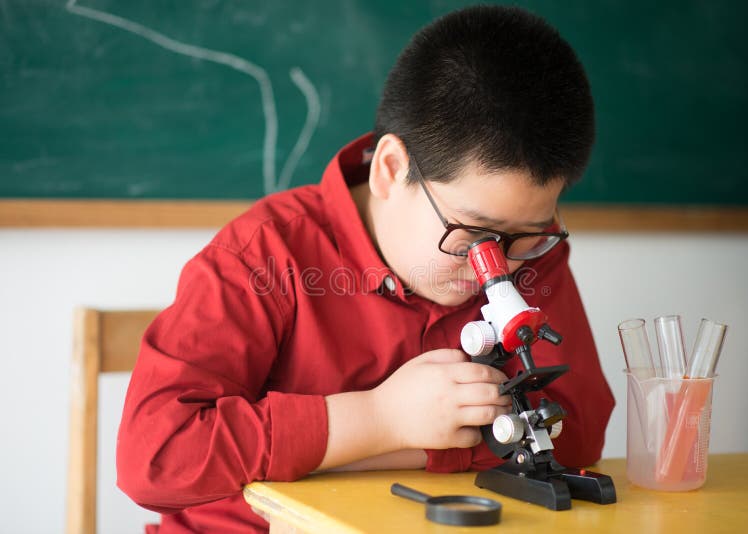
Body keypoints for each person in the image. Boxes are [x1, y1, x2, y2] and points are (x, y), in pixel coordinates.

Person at [117, 5, 614, 532]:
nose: (497, 267)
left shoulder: (529, 248)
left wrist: (380, 447)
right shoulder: (264, 254)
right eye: (471, 235)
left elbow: (577, 431)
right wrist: (379, 420)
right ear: (390, 169)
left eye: (526, 237)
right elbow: (155, 459)